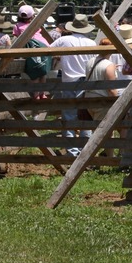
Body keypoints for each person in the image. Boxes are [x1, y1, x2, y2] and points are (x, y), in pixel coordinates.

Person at [51, 13, 98, 157]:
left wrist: (60, 56)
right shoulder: (91, 43)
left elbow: (48, 50)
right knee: (85, 115)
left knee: (69, 116)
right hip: (86, 81)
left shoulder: (63, 40)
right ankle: (86, 150)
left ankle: (71, 151)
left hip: (69, 82)